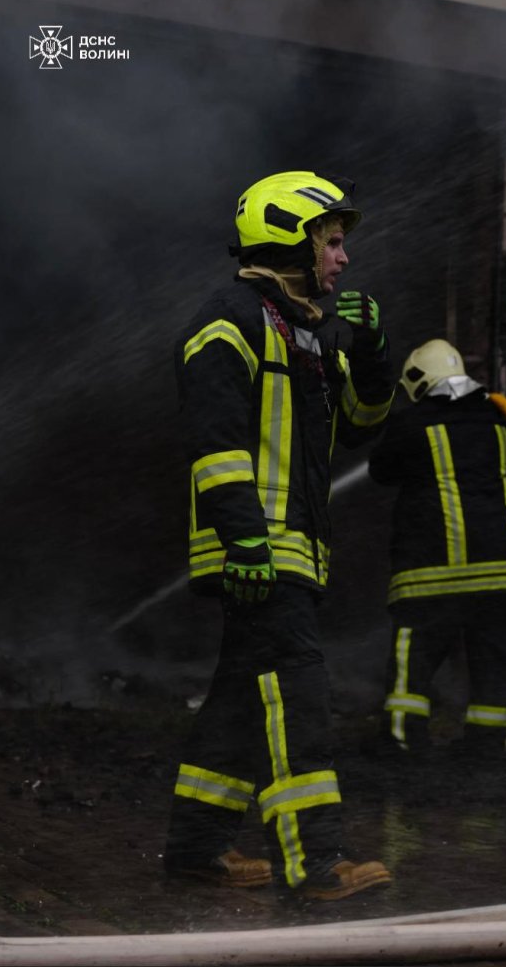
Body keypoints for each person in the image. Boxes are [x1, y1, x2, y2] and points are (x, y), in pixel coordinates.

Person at [163, 170, 395, 901]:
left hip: (287, 551)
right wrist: (247, 542)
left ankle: (197, 853)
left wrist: (373, 351)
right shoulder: (227, 320)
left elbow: (359, 427)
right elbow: (217, 445)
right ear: (290, 242)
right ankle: (313, 865)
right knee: (298, 695)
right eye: (331, 242)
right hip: (259, 552)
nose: (342, 259)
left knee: (238, 703)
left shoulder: (305, 335)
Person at [368, 339, 506, 762]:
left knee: (414, 654)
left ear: (419, 380)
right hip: (503, 569)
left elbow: (381, 471)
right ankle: (489, 749)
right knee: (492, 658)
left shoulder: (412, 424)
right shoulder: (500, 419)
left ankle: (403, 742)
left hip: (433, 570)